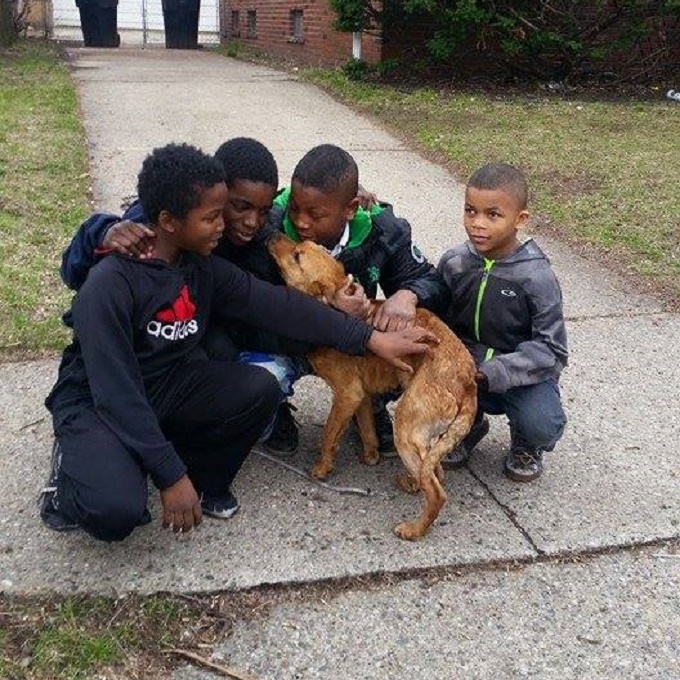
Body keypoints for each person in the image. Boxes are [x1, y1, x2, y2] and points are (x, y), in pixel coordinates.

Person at [40, 142, 438, 542]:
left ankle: (202, 479)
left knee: (258, 385)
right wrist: (168, 472)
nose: (226, 227)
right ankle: (73, 468)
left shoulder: (204, 266)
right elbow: (116, 391)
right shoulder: (112, 279)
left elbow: (279, 306)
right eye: (214, 216)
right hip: (99, 399)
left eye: (226, 215)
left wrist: (370, 339)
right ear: (169, 221)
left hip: (166, 384)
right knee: (117, 512)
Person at [261, 143, 451, 456]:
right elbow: (252, 297)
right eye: (296, 208)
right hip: (288, 338)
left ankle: (373, 401)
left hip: (355, 347)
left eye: (316, 214)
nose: (302, 222)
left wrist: (407, 295)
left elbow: (434, 282)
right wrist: (326, 307)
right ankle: (275, 405)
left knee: (422, 323)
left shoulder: (383, 231)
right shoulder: (272, 223)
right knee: (263, 377)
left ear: (350, 208)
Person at [437, 163, 568, 481]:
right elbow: (438, 319)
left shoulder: (536, 277)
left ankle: (526, 442)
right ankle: (469, 425)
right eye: (470, 211)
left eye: (492, 215)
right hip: (464, 368)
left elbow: (553, 350)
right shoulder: (455, 263)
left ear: (520, 220)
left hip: (520, 376)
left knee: (542, 423)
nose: (477, 224)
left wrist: (492, 370)